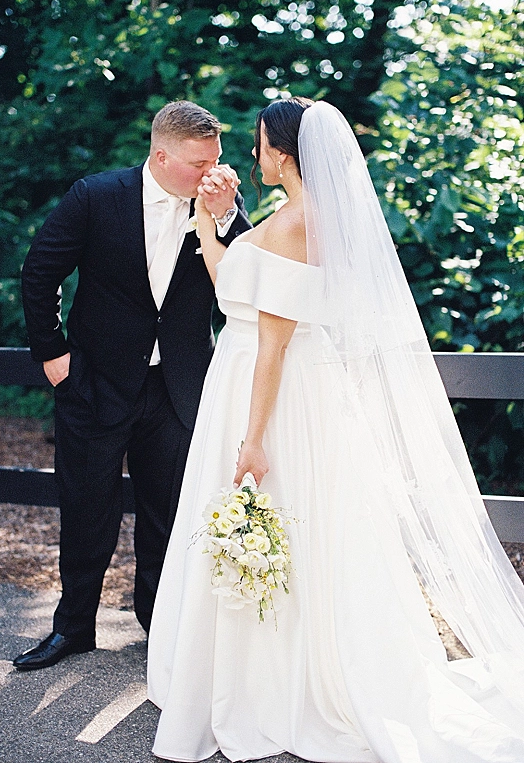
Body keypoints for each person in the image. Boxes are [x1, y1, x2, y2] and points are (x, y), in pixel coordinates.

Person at [147, 98, 524, 762]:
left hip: (274, 395)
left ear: (283, 154)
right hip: (257, 381)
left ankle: (279, 681)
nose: (254, 155)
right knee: (300, 527)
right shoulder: (296, 216)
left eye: (261, 145)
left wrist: (254, 436)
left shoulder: (296, 222)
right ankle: (248, 670)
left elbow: (273, 344)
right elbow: (241, 285)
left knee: (285, 520)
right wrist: (209, 224)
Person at [13, 100, 251, 671]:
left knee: (167, 515)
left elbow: (250, 275)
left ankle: (160, 631)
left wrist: (222, 215)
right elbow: (40, 271)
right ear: (162, 155)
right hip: (93, 383)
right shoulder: (95, 197)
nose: (213, 173)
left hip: (177, 390)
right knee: (86, 509)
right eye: (200, 163)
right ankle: (72, 629)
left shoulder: (220, 203)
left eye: (218, 160)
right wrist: (53, 354)